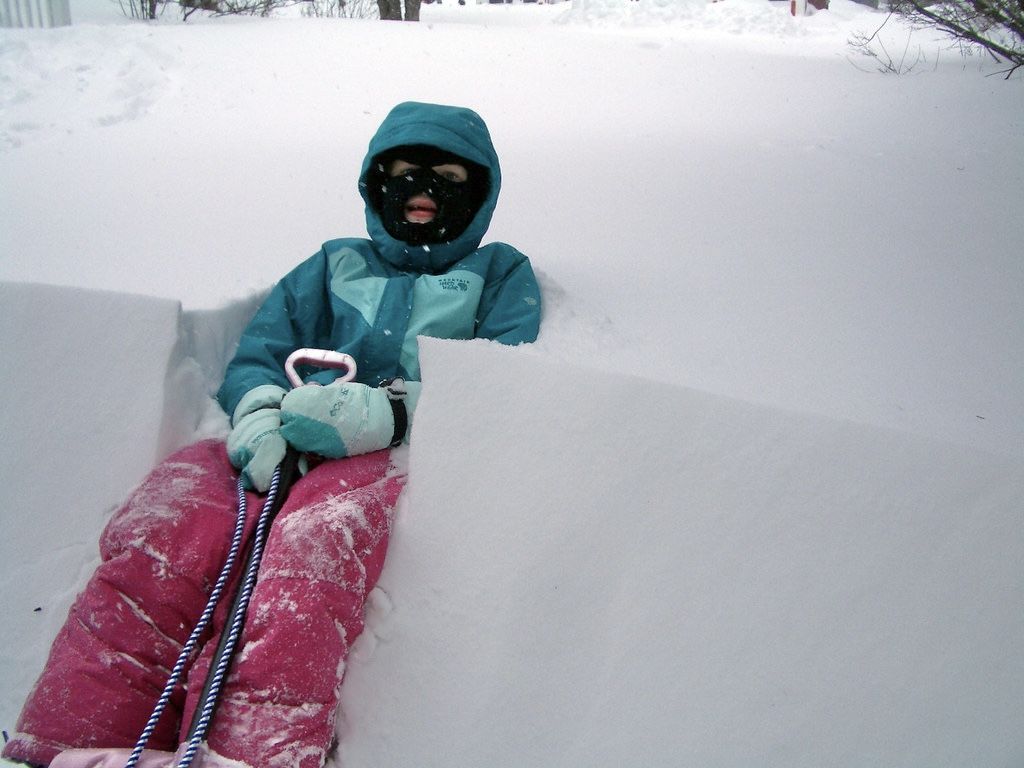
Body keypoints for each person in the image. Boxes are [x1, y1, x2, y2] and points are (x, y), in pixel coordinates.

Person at [3, 101, 541, 768]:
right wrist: (259, 413)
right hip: (289, 428)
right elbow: (262, 349)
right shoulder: (335, 263)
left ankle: (251, 751)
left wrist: (394, 413)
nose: (423, 187)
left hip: (385, 452)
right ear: (376, 184)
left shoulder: (498, 275)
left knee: (311, 550)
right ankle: (72, 737)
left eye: (449, 178)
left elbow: (504, 380)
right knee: (171, 521)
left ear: (480, 193)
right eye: (404, 171)